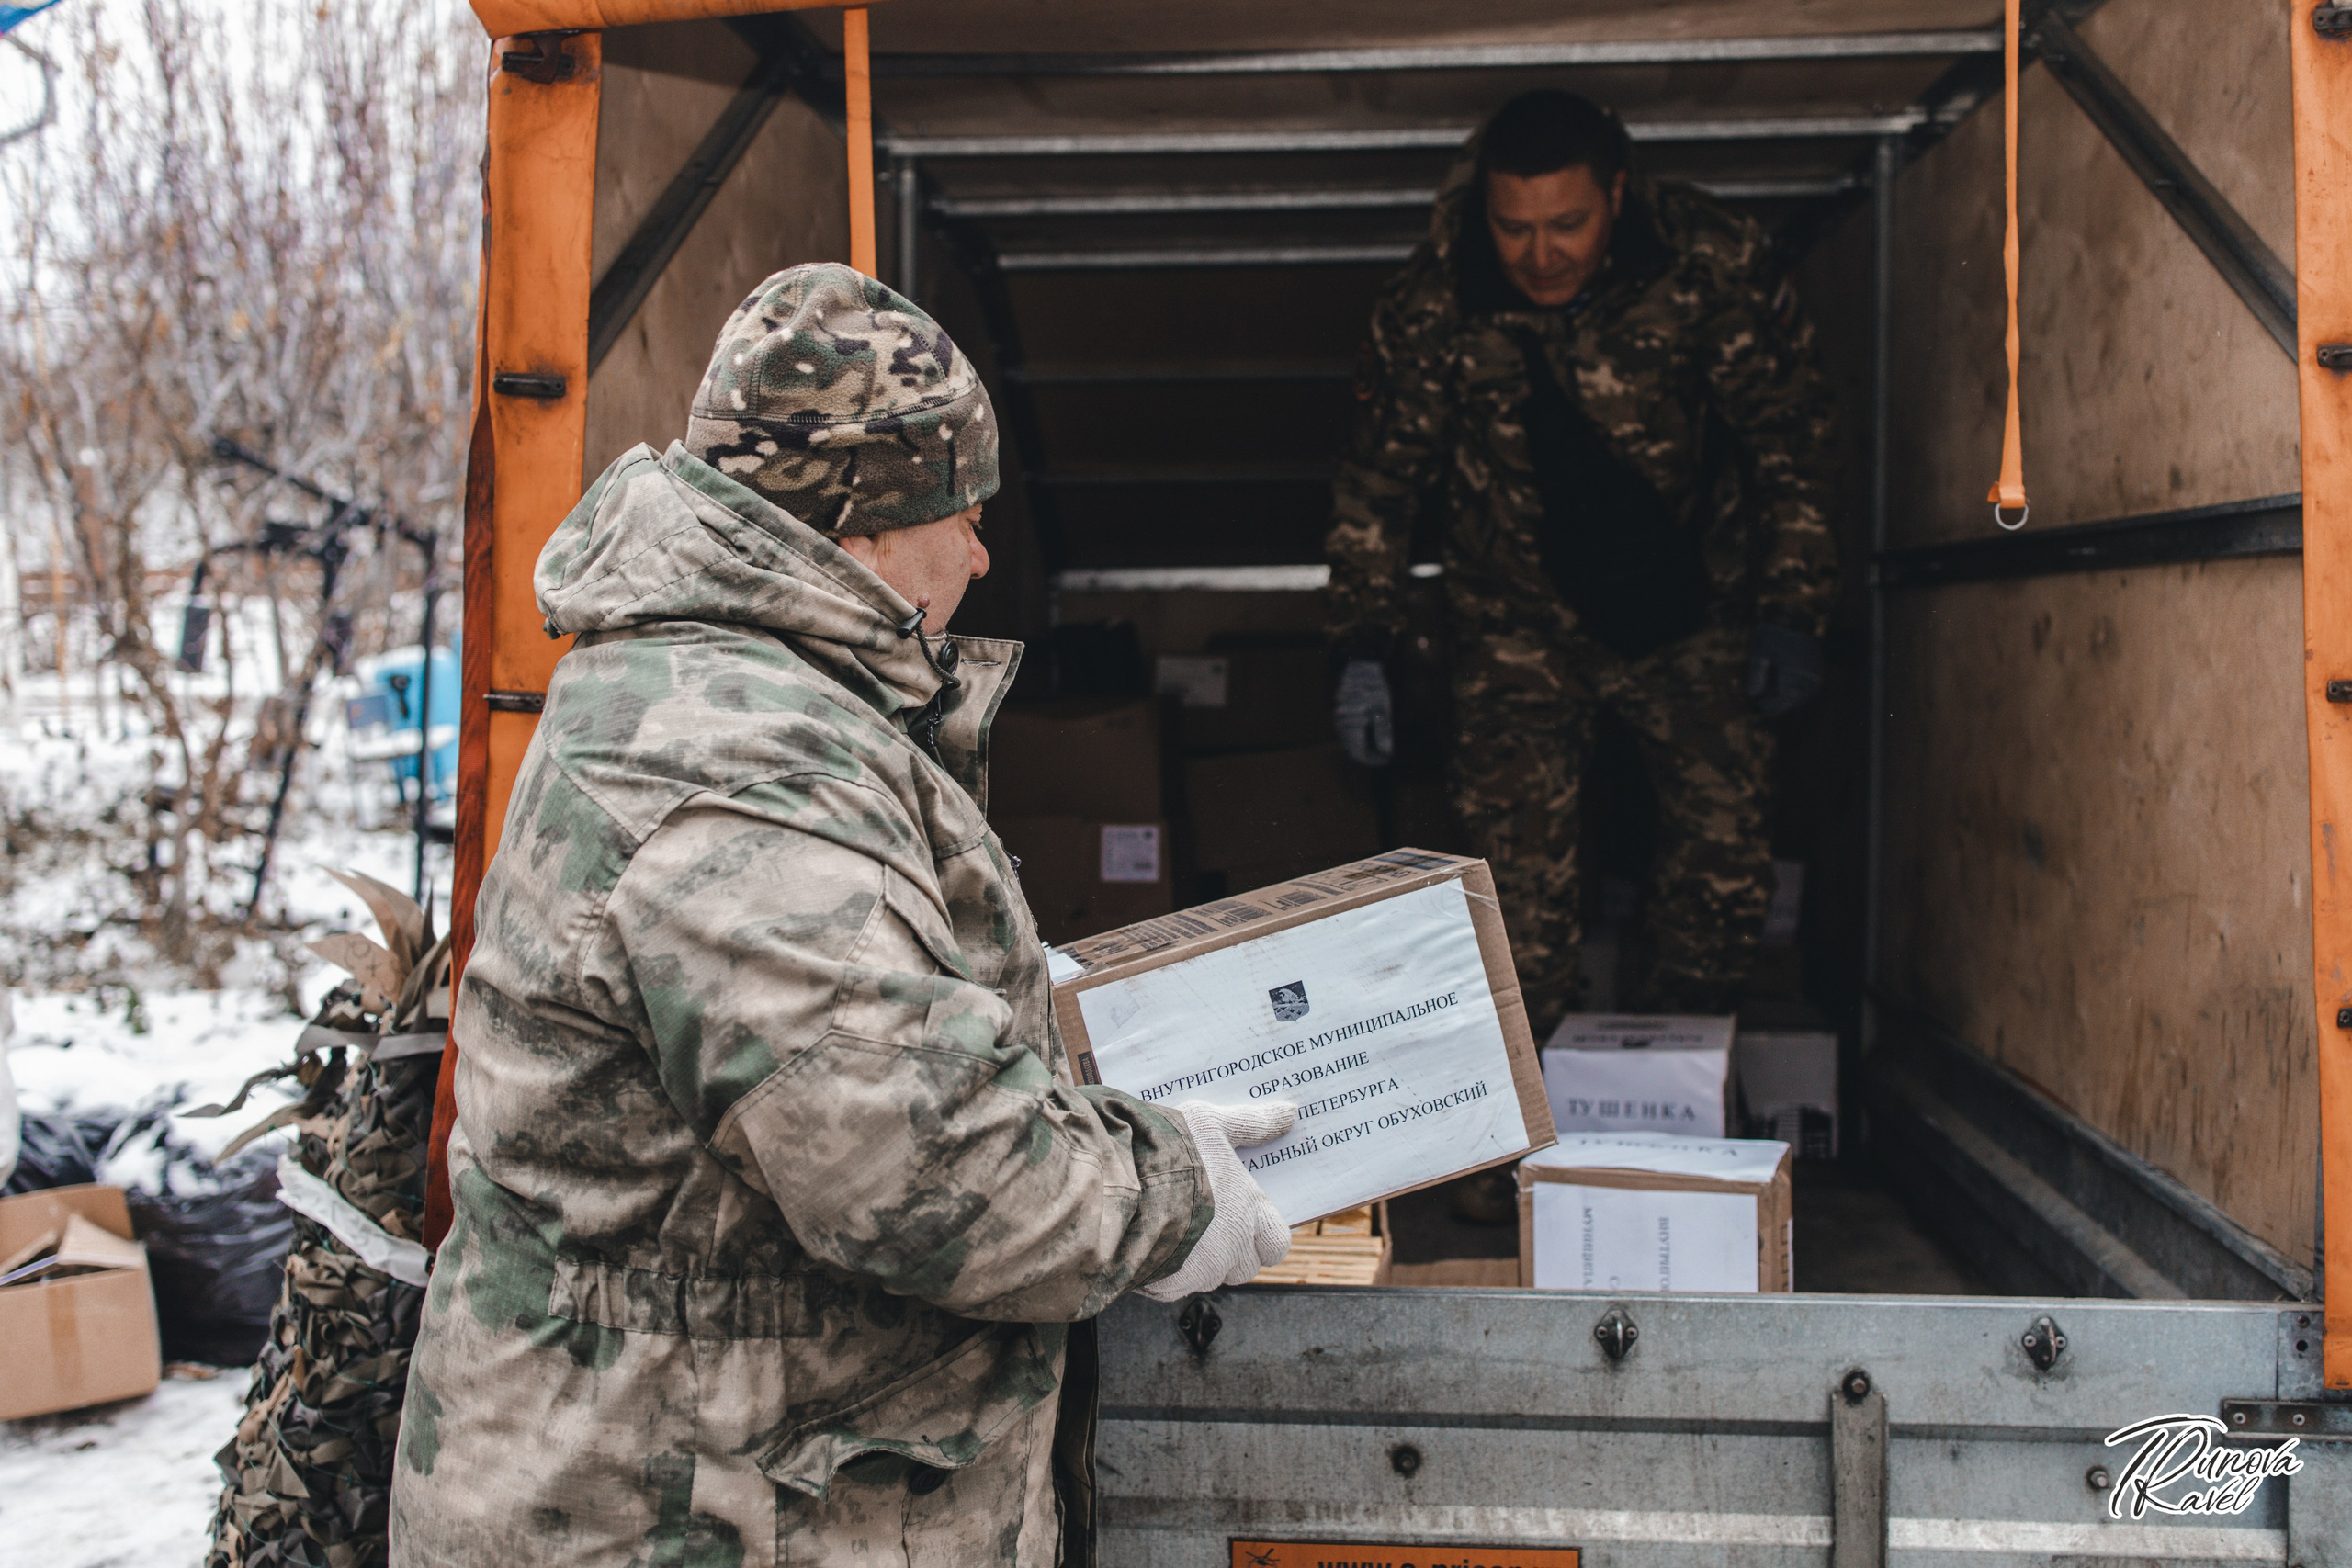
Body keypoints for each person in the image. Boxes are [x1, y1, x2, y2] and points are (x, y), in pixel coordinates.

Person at [390, 265, 1295, 1567]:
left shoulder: (729, 691)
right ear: (860, 530)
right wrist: (1169, 1191)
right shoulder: (731, 760)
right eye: (962, 517)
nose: (981, 556)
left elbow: (830, 1034)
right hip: (662, 1511)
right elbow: (922, 1166)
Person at [1327, 89, 1837, 1038]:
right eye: (1513, 228)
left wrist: (1793, 609)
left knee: (1724, 880)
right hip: (1517, 624)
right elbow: (1379, 483)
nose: (1540, 254)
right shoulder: (1433, 299)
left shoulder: (1708, 263)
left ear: (1617, 191)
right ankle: (1510, 1167)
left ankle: (1665, 1119)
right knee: (1514, 908)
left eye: (1568, 224)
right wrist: (1362, 645)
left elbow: (1789, 443)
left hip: (1694, 609)